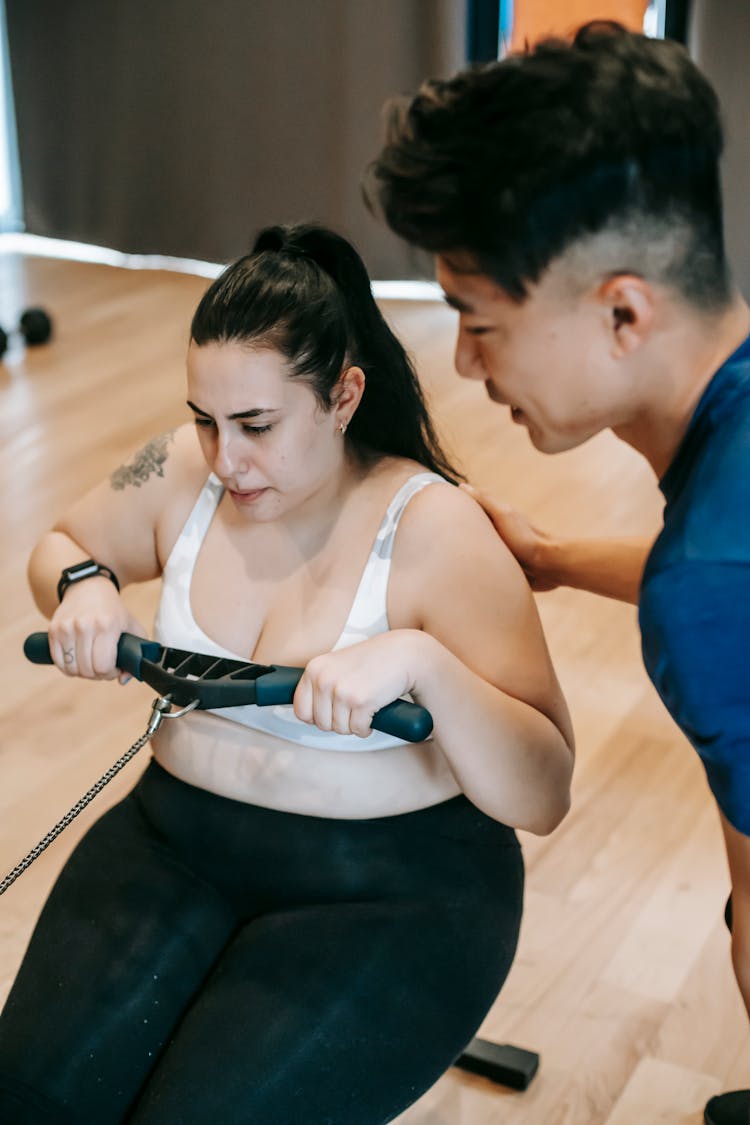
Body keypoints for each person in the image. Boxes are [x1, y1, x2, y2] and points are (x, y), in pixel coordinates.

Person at [0, 222, 574, 1124]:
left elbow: (544, 789)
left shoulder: (434, 531)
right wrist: (83, 588)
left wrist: (423, 666)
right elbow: (64, 544)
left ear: (344, 395)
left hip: (391, 889)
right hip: (177, 841)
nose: (227, 459)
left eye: (257, 425)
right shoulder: (184, 470)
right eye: (207, 420)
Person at [368, 19, 750, 1125]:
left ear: (622, 310)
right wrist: (553, 559)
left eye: (478, 323)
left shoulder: (711, 590)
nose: (466, 363)